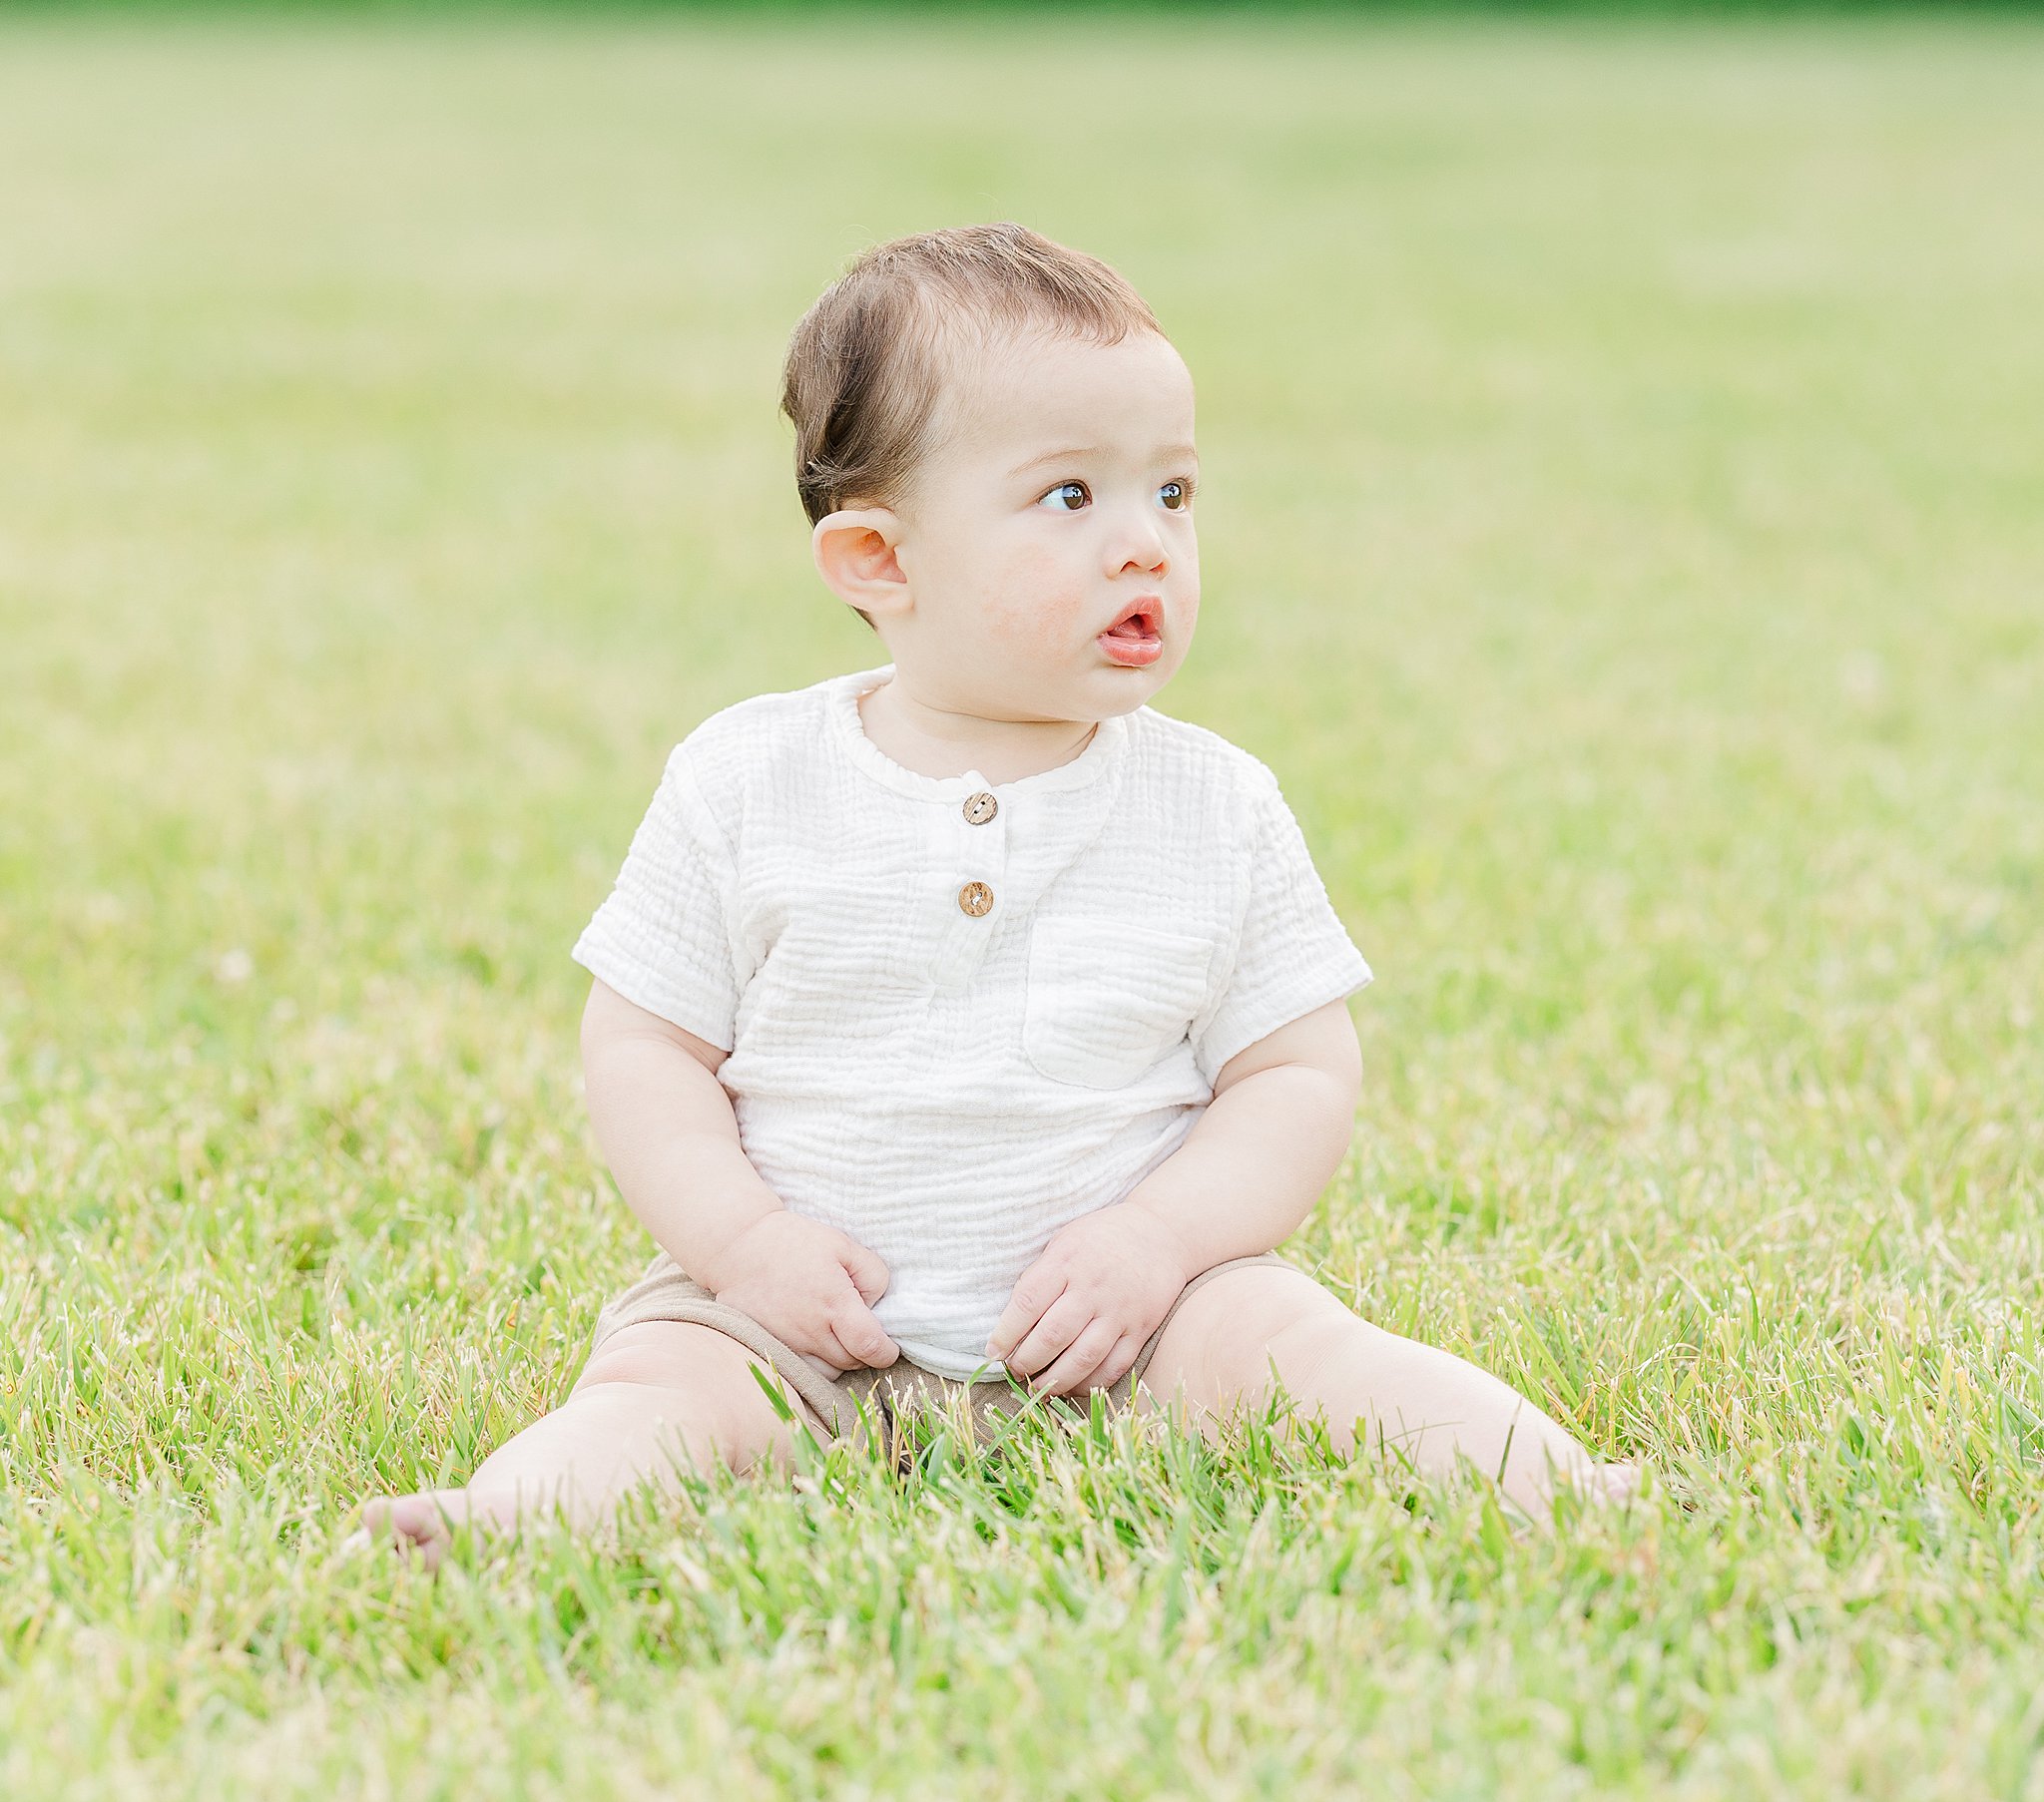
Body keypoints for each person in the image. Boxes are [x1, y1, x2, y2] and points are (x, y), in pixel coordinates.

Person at [351, 223, 1635, 1567]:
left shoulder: (1214, 804)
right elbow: (643, 1045)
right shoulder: (748, 778)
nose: (1144, 546)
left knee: (1302, 1349)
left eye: (1174, 495)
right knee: (657, 1399)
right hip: (793, 1324)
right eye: (1071, 497)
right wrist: (743, 1244)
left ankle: (1557, 1484)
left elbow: (1297, 1073)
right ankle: (506, 1519)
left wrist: (1159, 1239)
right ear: (880, 564)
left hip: (1132, 1329)